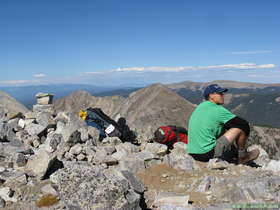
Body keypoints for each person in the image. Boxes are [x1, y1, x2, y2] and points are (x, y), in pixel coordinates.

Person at [187, 84, 260, 164]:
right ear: (211, 96)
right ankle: (242, 156)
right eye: (220, 93)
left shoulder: (200, 107)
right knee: (239, 127)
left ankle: (234, 153)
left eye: (222, 93)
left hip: (193, 153)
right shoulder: (217, 109)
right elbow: (244, 124)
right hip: (207, 154)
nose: (223, 95)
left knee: (224, 127)